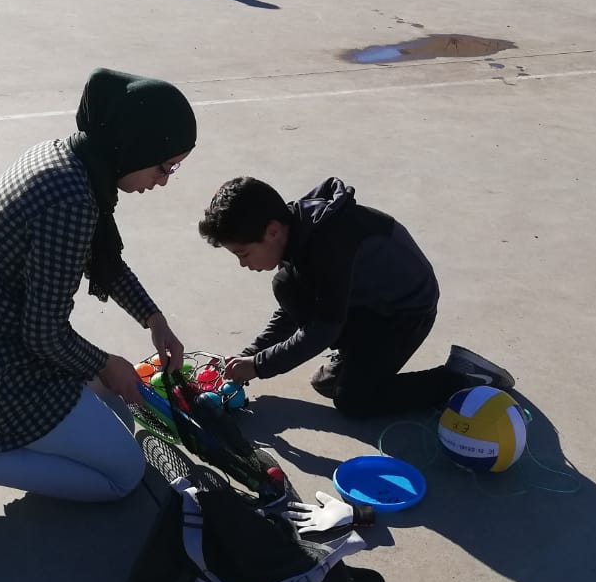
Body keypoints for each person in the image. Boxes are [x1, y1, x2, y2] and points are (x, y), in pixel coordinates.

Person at [0, 68, 196, 522]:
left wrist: (154, 318)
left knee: (110, 397)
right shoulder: (71, 200)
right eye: (165, 166)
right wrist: (106, 363)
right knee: (124, 473)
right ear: (136, 146)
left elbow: (102, 260)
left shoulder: (67, 158)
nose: (165, 180)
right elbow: (43, 334)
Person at [198, 175, 513, 418]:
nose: (243, 264)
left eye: (243, 253)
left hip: (405, 312)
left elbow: (324, 328)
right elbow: (291, 312)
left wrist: (258, 366)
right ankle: (357, 359)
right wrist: (251, 354)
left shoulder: (328, 244)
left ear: (272, 231)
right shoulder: (297, 230)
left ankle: (460, 377)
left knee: (355, 400)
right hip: (367, 302)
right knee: (286, 285)